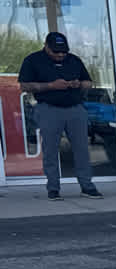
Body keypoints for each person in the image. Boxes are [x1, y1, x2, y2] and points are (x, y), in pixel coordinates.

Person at [19, 31, 101, 201]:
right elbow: (24, 86)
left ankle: (87, 186)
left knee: (82, 149)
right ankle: (53, 188)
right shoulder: (33, 60)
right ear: (46, 47)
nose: (60, 55)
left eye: (63, 51)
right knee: (51, 150)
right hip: (48, 108)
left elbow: (88, 82)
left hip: (75, 108)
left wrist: (78, 84)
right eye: (56, 51)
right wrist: (51, 86)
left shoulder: (74, 60)